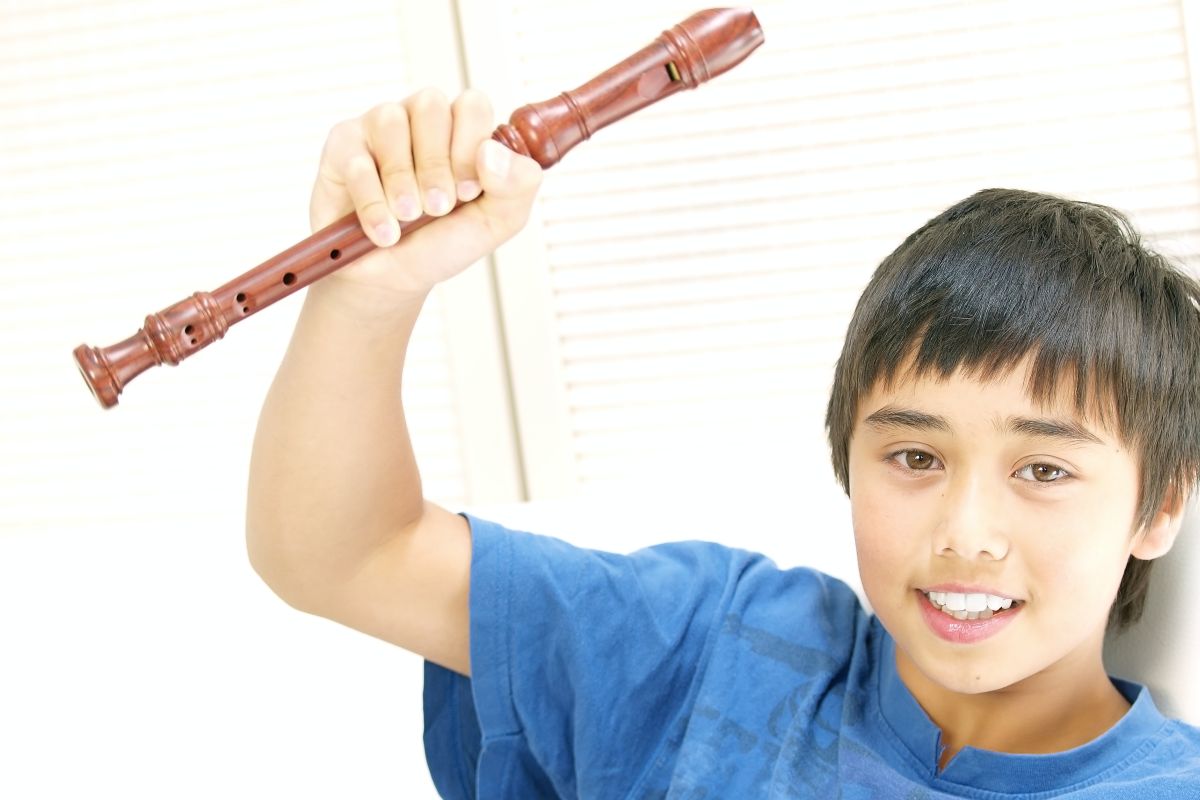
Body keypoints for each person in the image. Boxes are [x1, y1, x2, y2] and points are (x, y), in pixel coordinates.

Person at [245, 88, 1200, 798]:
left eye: (1043, 469)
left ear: (1159, 504)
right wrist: (369, 295)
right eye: (916, 457)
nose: (966, 532)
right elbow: (345, 555)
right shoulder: (713, 646)